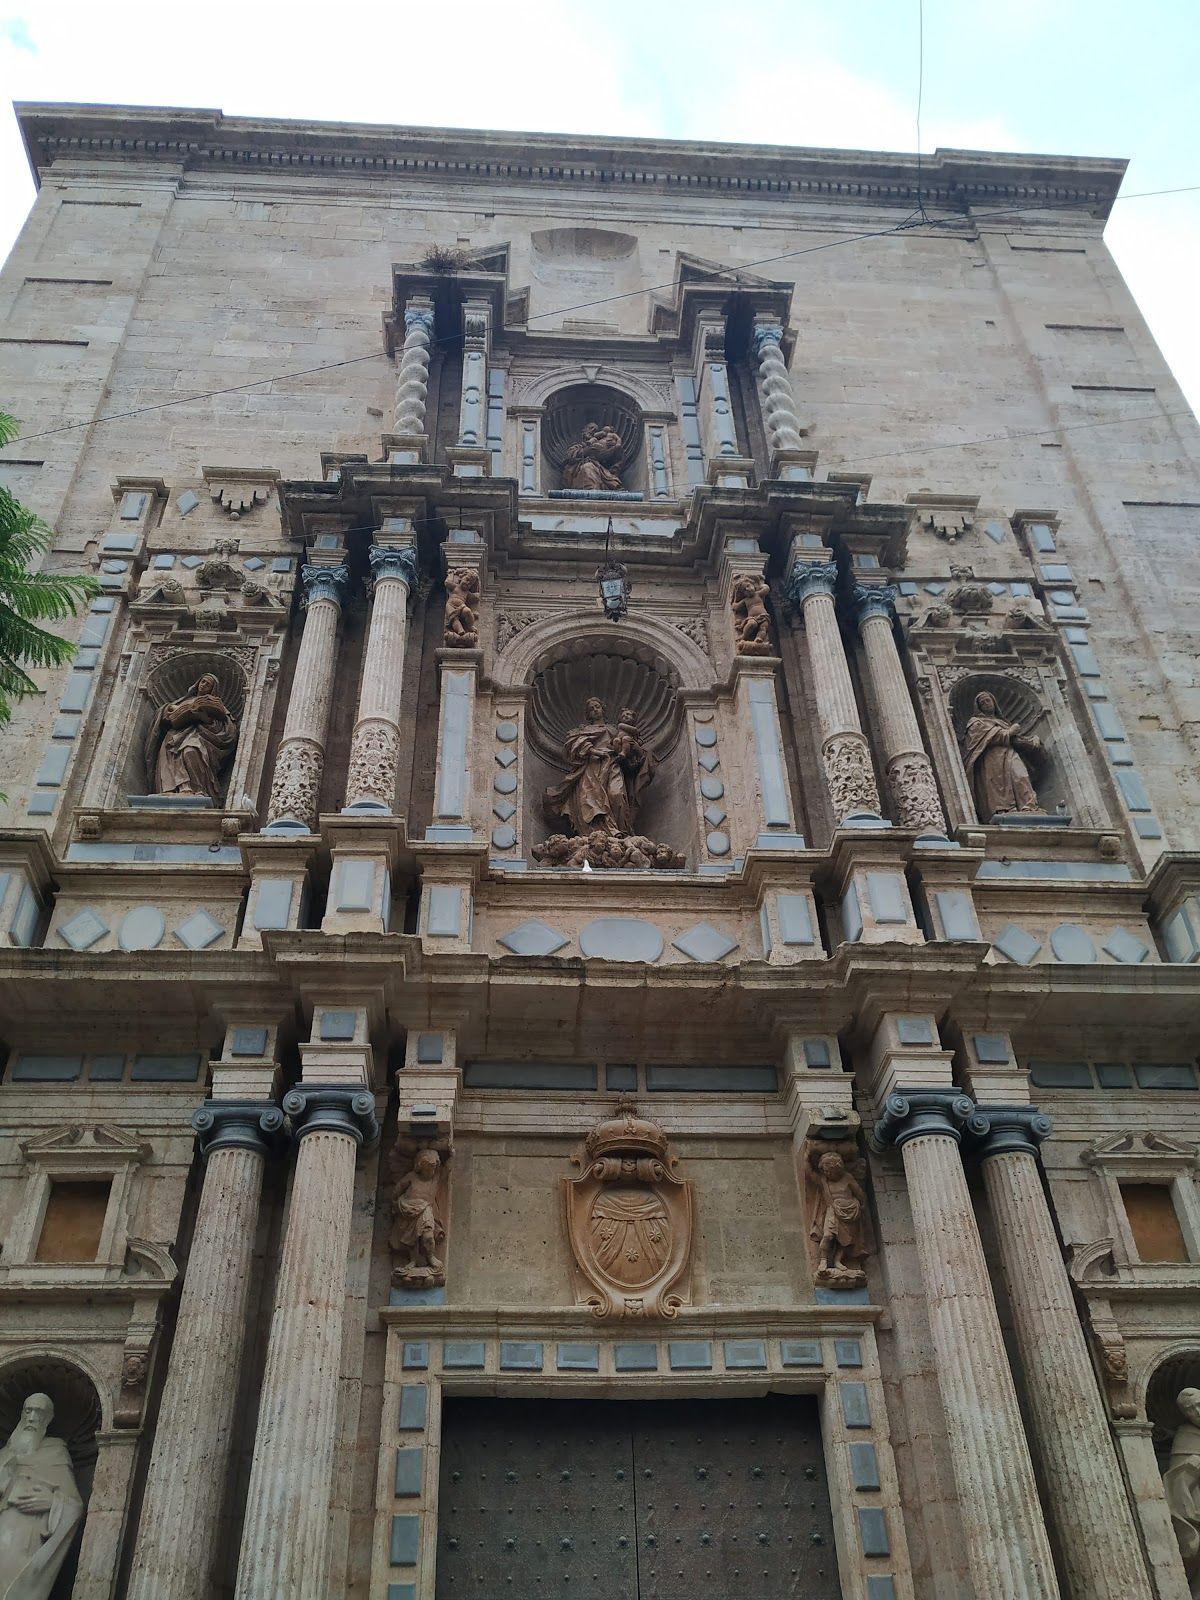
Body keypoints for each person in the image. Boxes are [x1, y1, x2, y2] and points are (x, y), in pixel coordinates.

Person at [0, 1393, 84, 1599]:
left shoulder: (56, 1451)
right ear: (21, 1413)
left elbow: (75, 1506)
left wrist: (54, 1503)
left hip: (28, 1533)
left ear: (48, 1418)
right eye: (28, 1410)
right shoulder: (4, 1453)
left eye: (39, 1412)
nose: (31, 1417)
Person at [542, 697, 657, 839]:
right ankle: (594, 836)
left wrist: (634, 752)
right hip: (591, 768)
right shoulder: (583, 730)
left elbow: (629, 746)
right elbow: (573, 745)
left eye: (597, 707)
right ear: (588, 715)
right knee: (590, 801)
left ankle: (620, 832)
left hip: (613, 765)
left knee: (617, 795)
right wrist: (594, 751)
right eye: (591, 709)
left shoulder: (614, 729)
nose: (595, 710)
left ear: (603, 709)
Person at [144, 672, 238, 804]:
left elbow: (226, 732)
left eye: (208, 684)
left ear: (212, 689)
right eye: (203, 681)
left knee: (190, 750)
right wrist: (170, 708)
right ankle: (171, 789)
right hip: (174, 735)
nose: (204, 685)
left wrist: (205, 719)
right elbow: (164, 718)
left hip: (198, 736)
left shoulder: (214, 704)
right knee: (169, 757)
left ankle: (196, 789)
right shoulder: (184, 701)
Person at [961, 689, 1043, 821]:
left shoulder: (1003, 722)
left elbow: (1016, 740)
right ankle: (1004, 810)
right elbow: (977, 738)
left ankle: (1029, 806)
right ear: (979, 707)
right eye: (983, 703)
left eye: (988, 700)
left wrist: (1029, 741)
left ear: (994, 702)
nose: (986, 704)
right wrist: (1008, 732)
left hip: (1009, 752)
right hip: (992, 757)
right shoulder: (976, 722)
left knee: (1021, 775)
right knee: (998, 784)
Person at [808, 1149, 869, 1286]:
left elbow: (860, 1194)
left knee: (845, 1241)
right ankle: (823, 1260)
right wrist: (807, 1156)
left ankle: (837, 1260)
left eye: (829, 1171)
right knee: (828, 1236)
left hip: (850, 1211)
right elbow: (811, 1174)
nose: (827, 1173)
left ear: (837, 1169)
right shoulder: (824, 1181)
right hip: (833, 1210)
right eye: (825, 1171)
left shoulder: (847, 1178)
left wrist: (862, 1208)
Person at [1164, 1387, 1200, 1596]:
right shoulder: (1185, 1436)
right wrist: (1192, 1466)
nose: (1197, 1411)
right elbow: (1175, 1480)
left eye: (1199, 1405)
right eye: (1190, 1410)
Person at [390, 1149, 446, 1284]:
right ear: (420, 1167)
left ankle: (431, 1256)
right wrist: (398, 1205)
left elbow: (447, 1169)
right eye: (428, 1169)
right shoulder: (411, 1177)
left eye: (433, 1169)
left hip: (426, 1209)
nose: (431, 1172)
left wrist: (452, 1153)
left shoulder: (435, 1179)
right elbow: (397, 1190)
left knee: (428, 1237)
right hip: (409, 1210)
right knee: (412, 1239)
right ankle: (413, 1260)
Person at [561, 422, 624, 491]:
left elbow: (612, 460)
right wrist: (587, 450)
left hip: (600, 469)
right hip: (580, 469)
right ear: (584, 430)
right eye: (591, 428)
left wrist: (613, 449)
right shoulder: (578, 445)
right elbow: (569, 456)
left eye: (595, 430)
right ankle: (591, 491)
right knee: (587, 467)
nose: (593, 430)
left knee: (591, 469)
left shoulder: (600, 444)